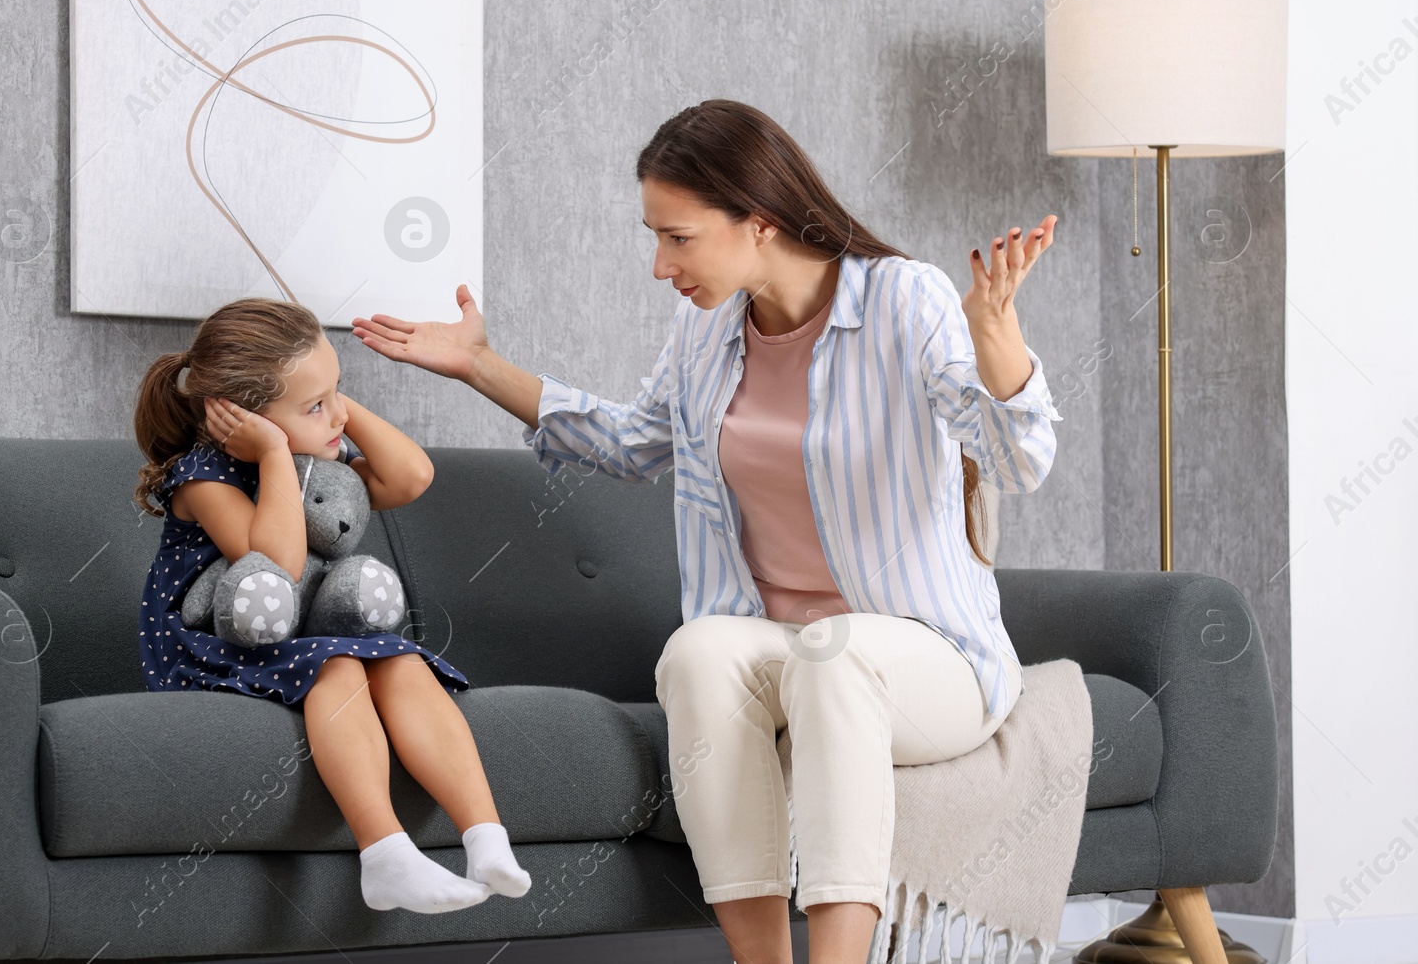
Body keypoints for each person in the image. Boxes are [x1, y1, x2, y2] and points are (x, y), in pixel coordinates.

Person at [349, 99, 1063, 964]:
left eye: (677, 238)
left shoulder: (903, 300)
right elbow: (631, 441)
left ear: (758, 223)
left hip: (927, 655)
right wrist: (477, 365)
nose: (660, 265)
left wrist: (998, 342)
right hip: (780, 647)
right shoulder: (707, 329)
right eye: (656, 237)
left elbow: (1017, 459)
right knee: (697, 651)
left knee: (832, 653)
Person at [131, 297, 532, 915]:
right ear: (244, 419)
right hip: (214, 643)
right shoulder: (203, 477)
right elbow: (279, 567)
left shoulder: (312, 449)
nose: (335, 415)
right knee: (339, 666)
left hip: (298, 630)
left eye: (336, 390)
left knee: (402, 660)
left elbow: (411, 477)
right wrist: (271, 454)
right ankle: (385, 855)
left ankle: (486, 837)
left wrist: (329, 407)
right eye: (314, 404)